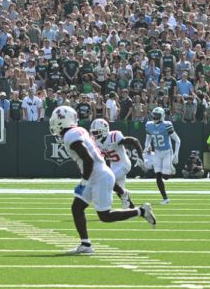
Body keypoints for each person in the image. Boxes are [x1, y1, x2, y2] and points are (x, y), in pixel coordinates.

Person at [51, 106, 155, 255]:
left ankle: (141, 211)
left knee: (105, 216)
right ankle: (85, 245)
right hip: (97, 174)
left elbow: (88, 160)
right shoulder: (78, 131)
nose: (53, 124)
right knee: (77, 207)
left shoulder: (70, 135)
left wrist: (84, 182)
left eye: (55, 121)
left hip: (99, 176)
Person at [90, 118, 142, 209]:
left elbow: (134, 141)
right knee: (118, 190)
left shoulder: (113, 136)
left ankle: (125, 193)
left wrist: (140, 156)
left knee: (107, 180)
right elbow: (105, 159)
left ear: (104, 131)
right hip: (114, 165)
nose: (94, 135)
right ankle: (133, 209)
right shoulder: (97, 142)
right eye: (93, 132)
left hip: (124, 164)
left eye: (96, 132)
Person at [143, 107, 180, 204]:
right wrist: (147, 147)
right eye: (154, 115)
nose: (155, 117)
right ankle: (165, 198)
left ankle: (171, 168)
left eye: (157, 115)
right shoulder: (149, 125)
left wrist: (176, 154)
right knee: (158, 175)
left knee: (165, 177)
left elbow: (177, 140)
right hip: (157, 152)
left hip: (167, 152)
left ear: (162, 116)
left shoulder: (167, 125)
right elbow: (148, 139)